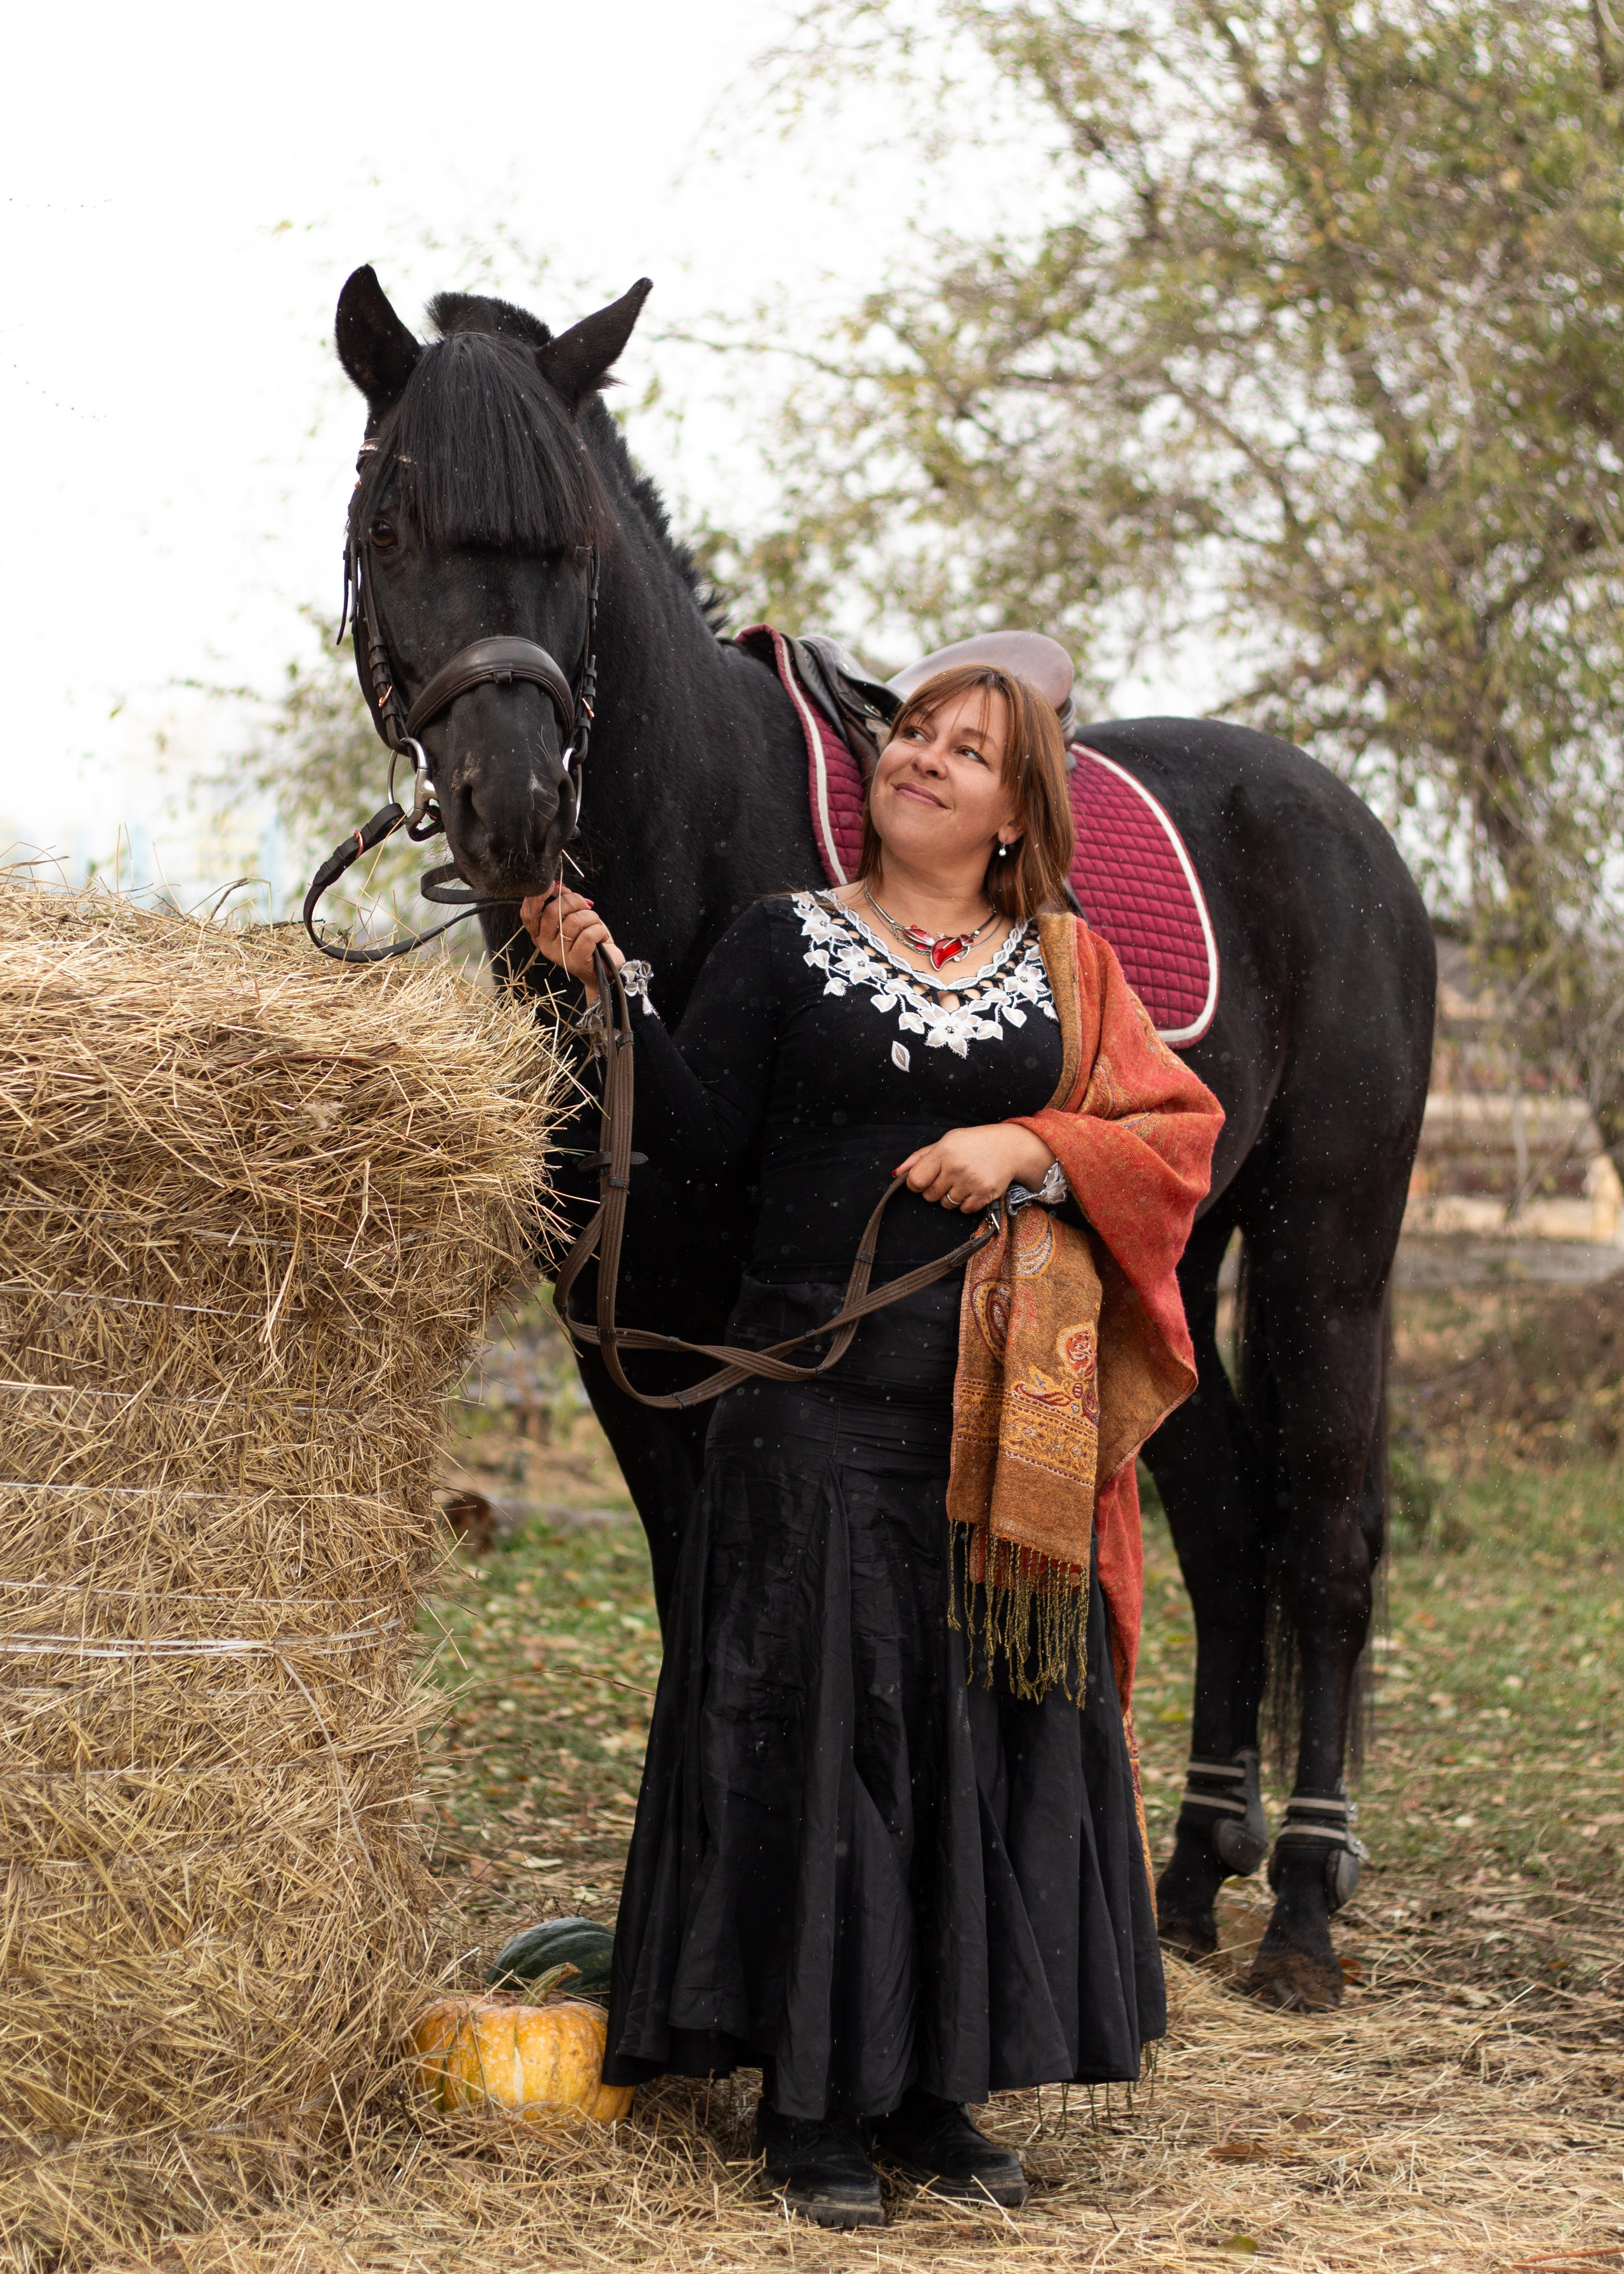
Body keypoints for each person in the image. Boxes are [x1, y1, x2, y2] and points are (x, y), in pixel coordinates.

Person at [521, 664, 1222, 2230]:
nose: (922, 759)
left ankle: (932, 2093)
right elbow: (702, 1148)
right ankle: (811, 2106)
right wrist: (606, 990)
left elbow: (1174, 1135)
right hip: (808, 1418)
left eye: (968, 751)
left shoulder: (1070, 969)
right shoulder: (783, 939)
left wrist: (1030, 1142)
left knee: (966, 1748)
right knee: (822, 1749)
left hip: (999, 1437)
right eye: (911, 732)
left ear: (1015, 813)